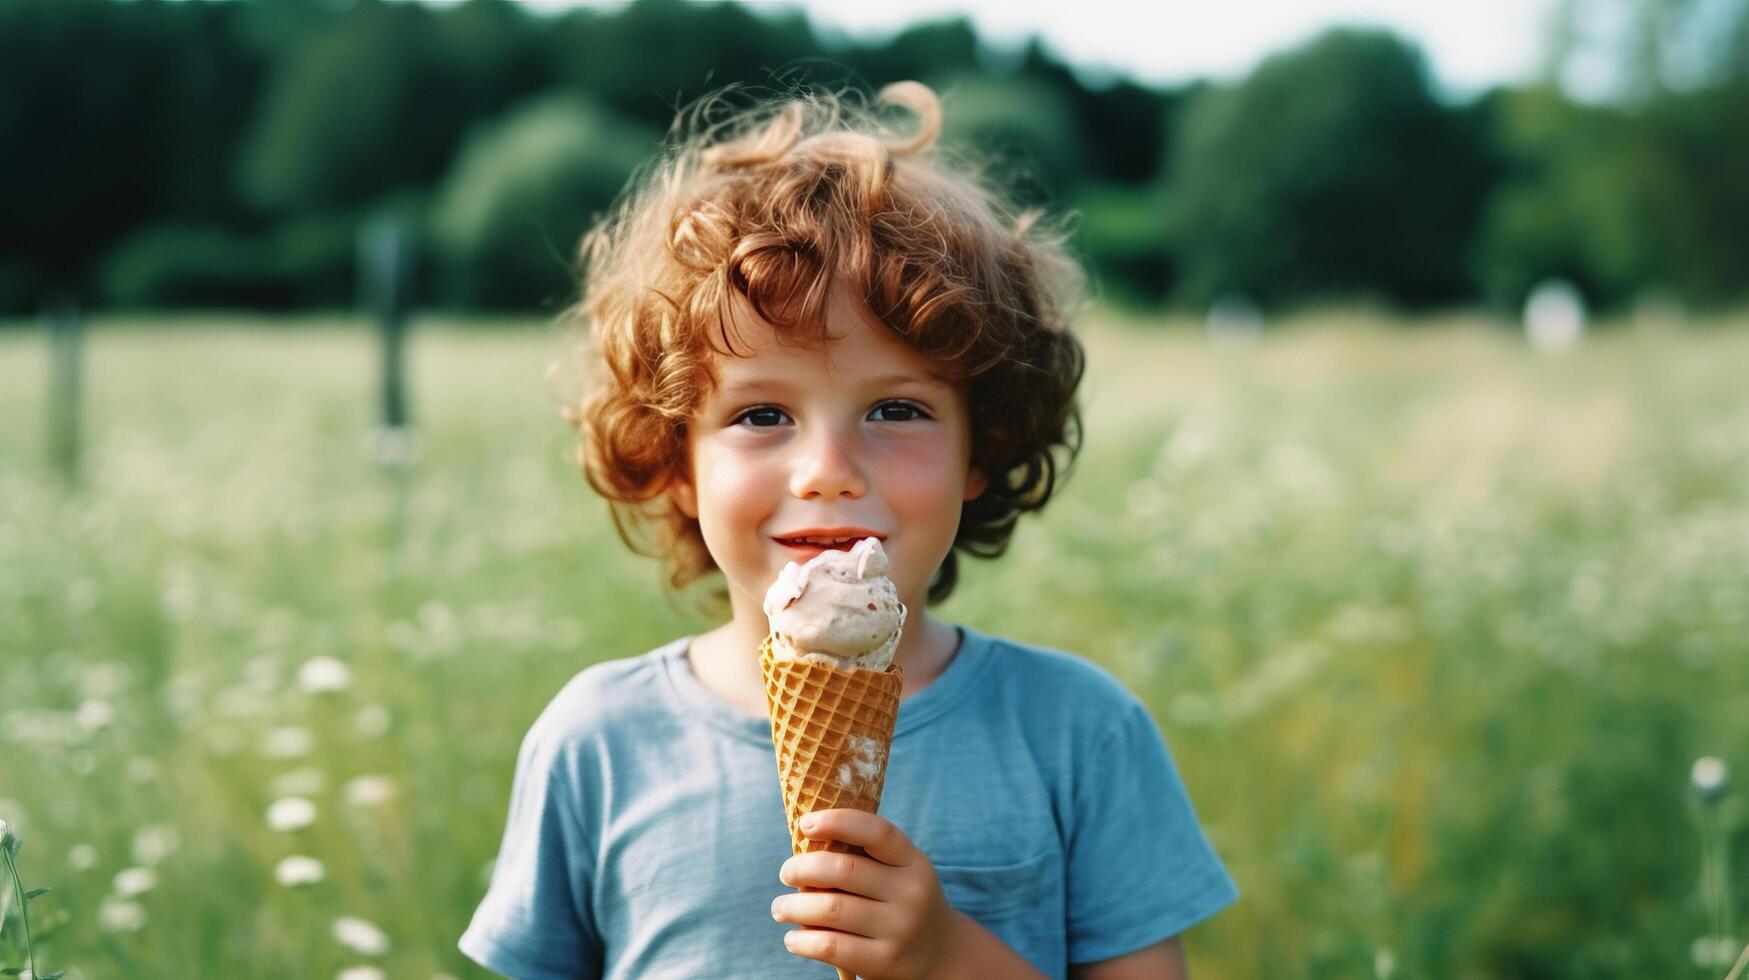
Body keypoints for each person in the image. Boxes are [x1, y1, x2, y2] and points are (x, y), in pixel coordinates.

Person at [459, 79, 1238, 980]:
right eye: (760, 416)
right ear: (675, 462)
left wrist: (952, 958)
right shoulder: (595, 743)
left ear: (978, 451)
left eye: (896, 409)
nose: (827, 468)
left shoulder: (1079, 733)